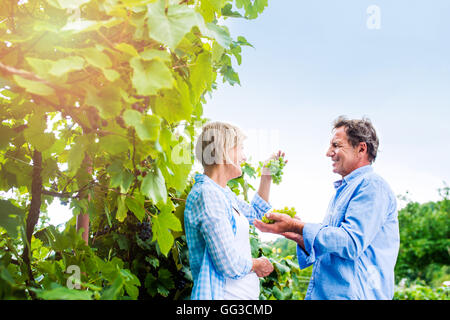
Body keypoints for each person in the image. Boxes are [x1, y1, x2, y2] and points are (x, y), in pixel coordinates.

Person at [254, 116, 400, 300]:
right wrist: (299, 236)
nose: (328, 152)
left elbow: (351, 243)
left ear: (361, 148)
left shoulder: (371, 186)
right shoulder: (344, 191)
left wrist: (297, 226)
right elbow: (333, 246)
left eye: (336, 145)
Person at [184, 121, 284, 300]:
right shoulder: (207, 194)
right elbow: (228, 263)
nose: (244, 157)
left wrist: (267, 175)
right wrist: (257, 264)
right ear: (224, 150)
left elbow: (255, 215)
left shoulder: (222, 193)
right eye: (241, 148)